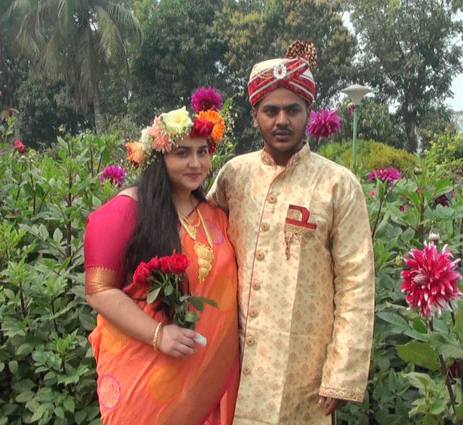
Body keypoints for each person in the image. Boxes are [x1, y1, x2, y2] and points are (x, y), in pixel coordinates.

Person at [209, 40, 375, 424]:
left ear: (308, 113)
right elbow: (198, 232)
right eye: (270, 110)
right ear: (255, 116)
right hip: (234, 362)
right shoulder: (234, 176)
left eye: (292, 110)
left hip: (304, 374)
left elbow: (356, 281)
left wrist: (343, 373)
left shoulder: (338, 185)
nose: (281, 120)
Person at [84, 99, 239, 425]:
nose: (195, 163)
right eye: (182, 153)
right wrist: (158, 334)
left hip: (207, 374)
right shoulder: (124, 212)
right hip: (144, 377)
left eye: (202, 152)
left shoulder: (215, 215)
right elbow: (99, 291)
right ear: (160, 157)